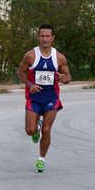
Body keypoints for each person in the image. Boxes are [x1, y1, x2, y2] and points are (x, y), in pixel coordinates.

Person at [17, 24, 71, 172]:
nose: (45, 39)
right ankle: (36, 128)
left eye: (48, 36)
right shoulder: (30, 55)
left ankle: (41, 159)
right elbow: (20, 71)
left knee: (47, 130)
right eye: (42, 36)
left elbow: (68, 78)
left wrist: (62, 78)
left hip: (51, 97)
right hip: (34, 97)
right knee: (29, 130)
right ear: (38, 37)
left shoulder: (59, 57)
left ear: (53, 38)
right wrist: (29, 84)